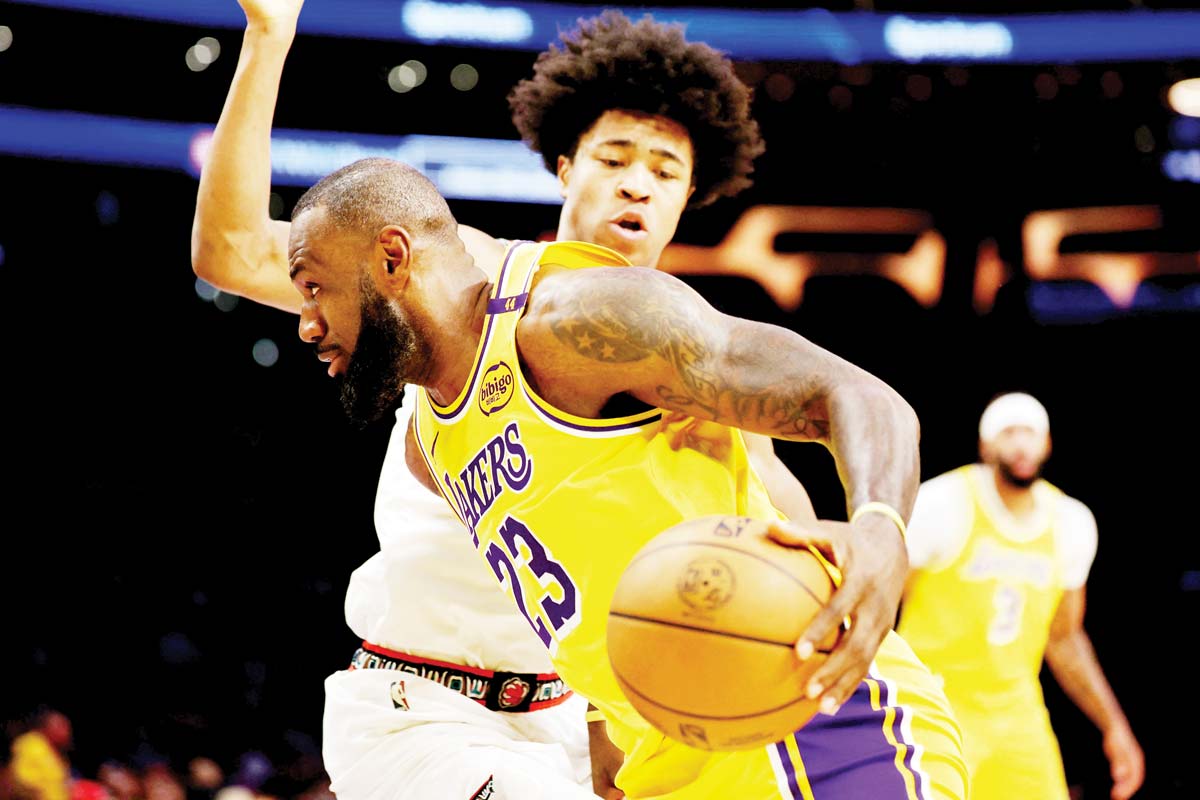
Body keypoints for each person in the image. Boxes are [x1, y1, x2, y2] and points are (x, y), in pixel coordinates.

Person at [193, 3, 828, 798]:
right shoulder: (469, 280)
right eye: (615, 158)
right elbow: (231, 250)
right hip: (425, 698)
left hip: (561, 720)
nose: (638, 182)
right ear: (565, 167)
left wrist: (833, 586)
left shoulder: (691, 360)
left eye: (666, 171)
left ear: (691, 193)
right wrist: (268, 37)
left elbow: (783, 525)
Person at [281, 155, 968, 798]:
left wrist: (880, 530)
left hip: (813, 718)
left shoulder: (573, 321)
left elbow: (851, 394)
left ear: (393, 257)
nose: (306, 325)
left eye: (314, 288)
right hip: (672, 758)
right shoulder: (430, 448)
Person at [897, 392, 1144, 800]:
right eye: (1008, 432)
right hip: (934, 699)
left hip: (1016, 711)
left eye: (1030, 432)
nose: (1021, 443)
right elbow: (880, 603)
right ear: (986, 445)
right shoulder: (943, 503)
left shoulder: (1071, 522)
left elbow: (1064, 637)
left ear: (1046, 444)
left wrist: (1113, 725)